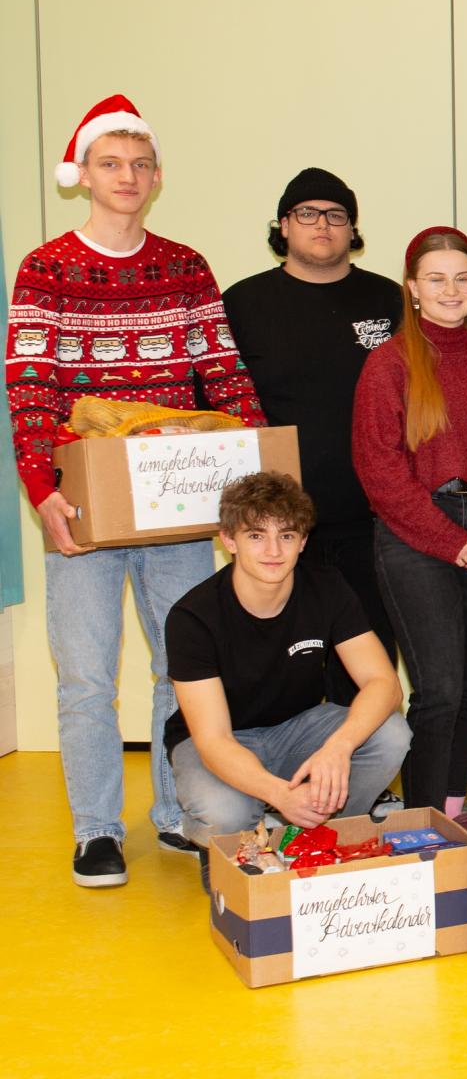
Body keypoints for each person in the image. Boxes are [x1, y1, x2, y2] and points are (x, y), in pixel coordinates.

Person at [7, 94, 265, 885]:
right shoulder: (46, 268)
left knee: (179, 668)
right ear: (82, 174)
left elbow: (223, 375)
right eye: (111, 163)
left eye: (141, 164)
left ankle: (175, 816)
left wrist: (254, 479)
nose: (128, 176)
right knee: (86, 674)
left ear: (157, 177)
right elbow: (28, 389)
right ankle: (95, 830)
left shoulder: (184, 267)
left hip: (179, 509)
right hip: (84, 504)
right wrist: (43, 493)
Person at [353, 227, 467, 816]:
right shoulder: (389, 365)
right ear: (411, 288)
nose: (450, 289)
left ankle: (453, 813)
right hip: (418, 533)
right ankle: (422, 821)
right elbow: (378, 470)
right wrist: (451, 541)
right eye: (435, 278)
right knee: (440, 690)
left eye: (461, 278)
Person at [165, 473, 411, 854]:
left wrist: (338, 748)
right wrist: (281, 794)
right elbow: (214, 741)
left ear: (303, 542)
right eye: (256, 535)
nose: (273, 551)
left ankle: (330, 835)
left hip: (295, 729)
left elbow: (384, 683)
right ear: (228, 540)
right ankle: (218, 833)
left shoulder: (327, 587)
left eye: (287, 535)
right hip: (222, 739)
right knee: (227, 813)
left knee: (391, 733)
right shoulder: (192, 617)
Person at [222, 167, 403, 668]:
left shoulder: (389, 299)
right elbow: (216, 405)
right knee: (279, 663)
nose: (322, 223)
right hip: (276, 524)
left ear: (352, 229)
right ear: (284, 225)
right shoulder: (243, 303)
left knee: (369, 656)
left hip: (373, 517)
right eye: (307, 213)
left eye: (336, 215)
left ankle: (368, 748)